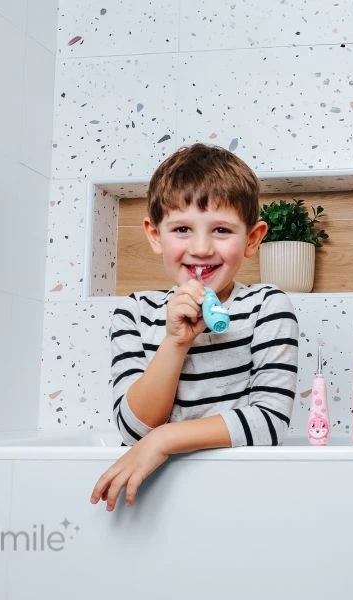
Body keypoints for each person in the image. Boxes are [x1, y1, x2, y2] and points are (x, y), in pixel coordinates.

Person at [91, 143, 299, 510]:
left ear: (252, 239)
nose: (201, 248)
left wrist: (164, 440)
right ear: (155, 235)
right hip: (154, 502)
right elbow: (134, 430)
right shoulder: (135, 312)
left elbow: (269, 422)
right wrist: (175, 342)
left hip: (241, 497)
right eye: (183, 229)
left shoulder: (267, 306)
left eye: (221, 230)